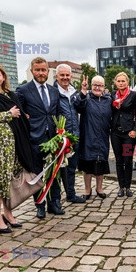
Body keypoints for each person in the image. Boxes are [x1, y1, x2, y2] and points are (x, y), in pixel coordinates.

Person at [0, 62, 34, 233]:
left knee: (10, 181)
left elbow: (20, 113)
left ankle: (8, 214)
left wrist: (23, 116)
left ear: (3, 77)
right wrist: (9, 114)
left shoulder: (10, 94)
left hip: (14, 145)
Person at [16, 57, 63, 219]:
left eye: (44, 70)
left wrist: (60, 132)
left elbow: (57, 113)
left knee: (55, 172)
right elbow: (19, 114)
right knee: (37, 173)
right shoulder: (22, 90)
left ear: (48, 71)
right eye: (38, 70)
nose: (41, 73)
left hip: (53, 139)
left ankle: (55, 203)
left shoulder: (54, 90)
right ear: (32, 71)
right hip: (34, 139)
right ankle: (40, 204)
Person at [75, 75, 112, 199]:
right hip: (88, 136)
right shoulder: (86, 98)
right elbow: (78, 106)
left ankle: (99, 188)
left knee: (101, 162)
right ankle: (87, 189)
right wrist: (83, 92)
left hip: (103, 136)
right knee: (87, 164)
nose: (97, 87)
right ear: (91, 85)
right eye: (95, 85)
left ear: (104, 87)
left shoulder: (108, 100)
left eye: (100, 85)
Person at [54, 64, 86, 203]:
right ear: (57, 76)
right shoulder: (53, 92)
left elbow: (80, 108)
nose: (65, 78)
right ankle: (54, 199)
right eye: (62, 75)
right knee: (56, 170)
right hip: (59, 137)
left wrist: (83, 93)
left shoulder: (73, 92)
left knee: (71, 167)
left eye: (67, 75)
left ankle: (71, 195)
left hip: (74, 136)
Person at [111, 72, 136, 197]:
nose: (121, 83)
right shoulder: (112, 95)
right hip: (115, 132)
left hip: (129, 133)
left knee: (127, 160)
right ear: (115, 82)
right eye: (119, 81)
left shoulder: (133, 95)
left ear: (127, 82)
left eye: (123, 81)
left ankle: (128, 187)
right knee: (119, 160)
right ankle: (121, 187)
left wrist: (135, 129)